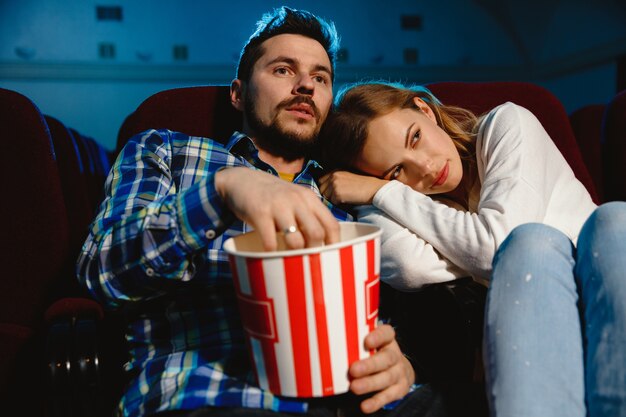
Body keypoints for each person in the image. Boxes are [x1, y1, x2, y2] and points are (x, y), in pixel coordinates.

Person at [76, 8, 438, 417]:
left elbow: (387, 312)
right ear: (237, 92)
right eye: (283, 70)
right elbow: (101, 271)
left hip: (351, 400)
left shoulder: (349, 192)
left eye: (320, 78)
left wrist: (398, 362)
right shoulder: (168, 151)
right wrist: (220, 192)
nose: (305, 85)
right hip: (216, 395)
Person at [317, 81, 626, 416]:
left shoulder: (506, 123)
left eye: (415, 138)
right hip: (534, 342)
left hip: (607, 301)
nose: (425, 168)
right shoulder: (392, 201)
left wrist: (385, 192)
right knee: (530, 246)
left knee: (611, 219)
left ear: (425, 110)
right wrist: (377, 197)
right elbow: (409, 265)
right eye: (396, 172)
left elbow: (496, 246)